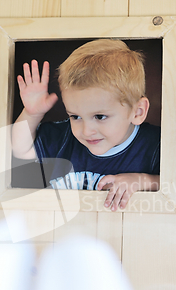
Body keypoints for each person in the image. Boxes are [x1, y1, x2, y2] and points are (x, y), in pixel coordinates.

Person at [12, 39, 160, 212]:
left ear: (138, 112)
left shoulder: (154, 145)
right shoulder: (62, 138)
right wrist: (32, 114)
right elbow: (19, 149)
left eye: (100, 116)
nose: (86, 131)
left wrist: (142, 180)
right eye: (75, 116)